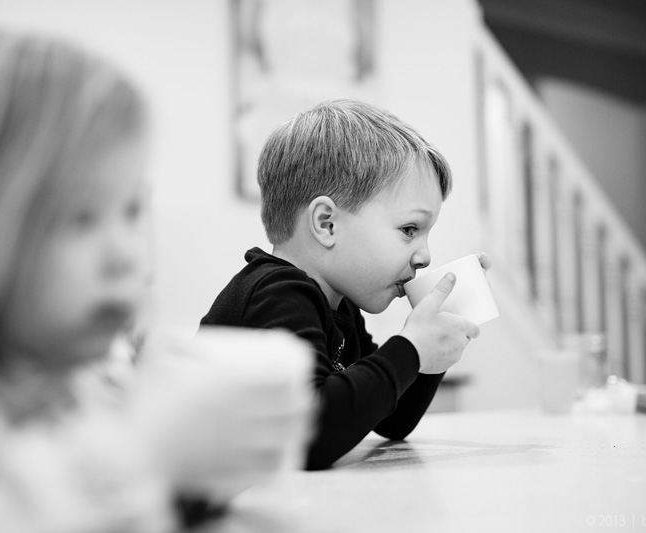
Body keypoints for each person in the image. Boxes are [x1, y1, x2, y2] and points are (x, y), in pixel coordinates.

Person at [0, 29, 312, 533]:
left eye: (131, 212)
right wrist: (142, 454)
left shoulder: (82, 387)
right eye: (81, 218)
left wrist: (202, 471)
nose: (126, 256)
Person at [201, 98, 487, 470]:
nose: (424, 256)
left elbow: (392, 419)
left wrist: (432, 345)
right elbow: (309, 437)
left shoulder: (340, 305)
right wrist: (411, 349)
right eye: (409, 229)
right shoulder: (278, 293)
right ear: (327, 224)